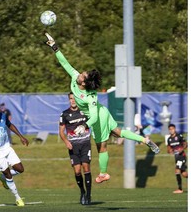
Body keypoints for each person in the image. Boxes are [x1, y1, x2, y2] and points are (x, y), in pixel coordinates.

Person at [44, 32, 160, 183]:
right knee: (118, 132)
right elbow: (65, 63)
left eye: (83, 75)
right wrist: (55, 47)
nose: (80, 73)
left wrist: (85, 125)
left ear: (84, 83)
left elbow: (94, 116)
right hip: (102, 111)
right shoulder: (75, 77)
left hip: (98, 117)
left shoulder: (90, 96)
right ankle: (144, 140)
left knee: (102, 148)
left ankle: (104, 173)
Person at [59, 92, 92, 205]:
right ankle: (82, 191)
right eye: (71, 99)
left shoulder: (85, 111)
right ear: (69, 100)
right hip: (73, 146)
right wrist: (66, 142)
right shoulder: (65, 114)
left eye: (74, 99)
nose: (72, 101)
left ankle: (88, 194)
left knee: (86, 167)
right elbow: (61, 132)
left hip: (85, 143)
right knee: (77, 171)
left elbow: (93, 120)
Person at [167, 124, 188, 194]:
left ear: (175, 129)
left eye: (172, 129)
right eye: (170, 129)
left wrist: (181, 149)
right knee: (184, 174)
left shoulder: (179, 136)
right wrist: (169, 151)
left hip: (182, 156)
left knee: (177, 170)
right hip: (177, 158)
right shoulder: (169, 139)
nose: (171, 130)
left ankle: (180, 189)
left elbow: (185, 144)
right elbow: (169, 148)